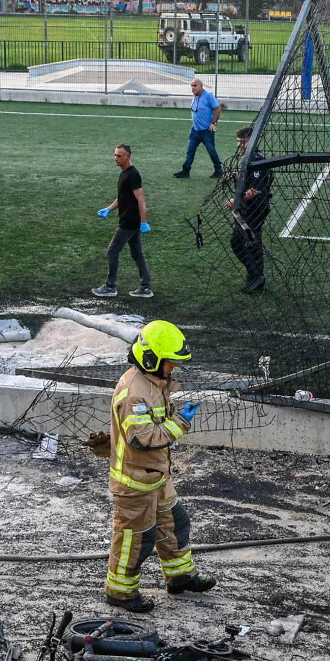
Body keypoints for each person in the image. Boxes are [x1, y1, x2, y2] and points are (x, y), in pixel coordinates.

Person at [103, 320, 215, 611]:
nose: (173, 368)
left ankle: (180, 577)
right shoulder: (135, 393)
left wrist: (174, 415)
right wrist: (181, 422)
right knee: (136, 540)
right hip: (134, 482)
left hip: (156, 476)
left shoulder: (153, 382)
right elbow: (144, 439)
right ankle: (120, 592)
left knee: (175, 524)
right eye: (170, 363)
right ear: (151, 359)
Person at [94, 143, 153, 299]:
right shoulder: (124, 173)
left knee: (112, 251)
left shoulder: (132, 175)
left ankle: (110, 286)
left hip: (129, 221)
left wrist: (143, 222)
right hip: (131, 221)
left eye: (119, 156)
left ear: (128, 156)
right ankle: (145, 287)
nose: (115, 158)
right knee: (137, 254)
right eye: (115, 155)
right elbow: (122, 197)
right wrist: (109, 208)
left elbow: (141, 199)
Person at [225, 126, 272, 292]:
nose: (239, 145)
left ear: (251, 140)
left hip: (255, 209)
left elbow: (255, 190)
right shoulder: (250, 156)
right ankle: (255, 278)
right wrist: (236, 178)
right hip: (250, 208)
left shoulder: (257, 159)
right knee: (251, 242)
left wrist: (235, 200)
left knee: (239, 242)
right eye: (238, 142)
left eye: (242, 142)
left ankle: (256, 276)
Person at [173, 78, 225, 179]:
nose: (193, 88)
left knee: (211, 151)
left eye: (195, 86)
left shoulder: (208, 96)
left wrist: (213, 123)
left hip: (207, 131)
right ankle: (186, 170)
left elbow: (217, 109)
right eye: (191, 86)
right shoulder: (195, 97)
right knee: (190, 150)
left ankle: (219, 171)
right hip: (195, 130)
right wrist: (194, 123)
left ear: (201, 86)